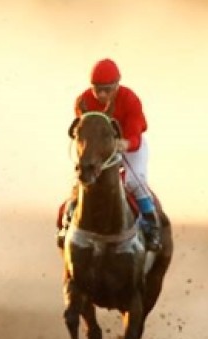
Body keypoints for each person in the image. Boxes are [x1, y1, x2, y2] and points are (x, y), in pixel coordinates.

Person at [57, 58, 161, 251]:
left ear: (117, 85)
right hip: (99, 147)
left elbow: (135, 135)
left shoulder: (130, 99)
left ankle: (152, 226)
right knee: (81, 181)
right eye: (98, 89)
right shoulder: (84, 101)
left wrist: (125, 143)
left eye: (107, 89)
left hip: (129, 145)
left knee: (134, 180)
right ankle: (66, 222)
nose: (102, 94)